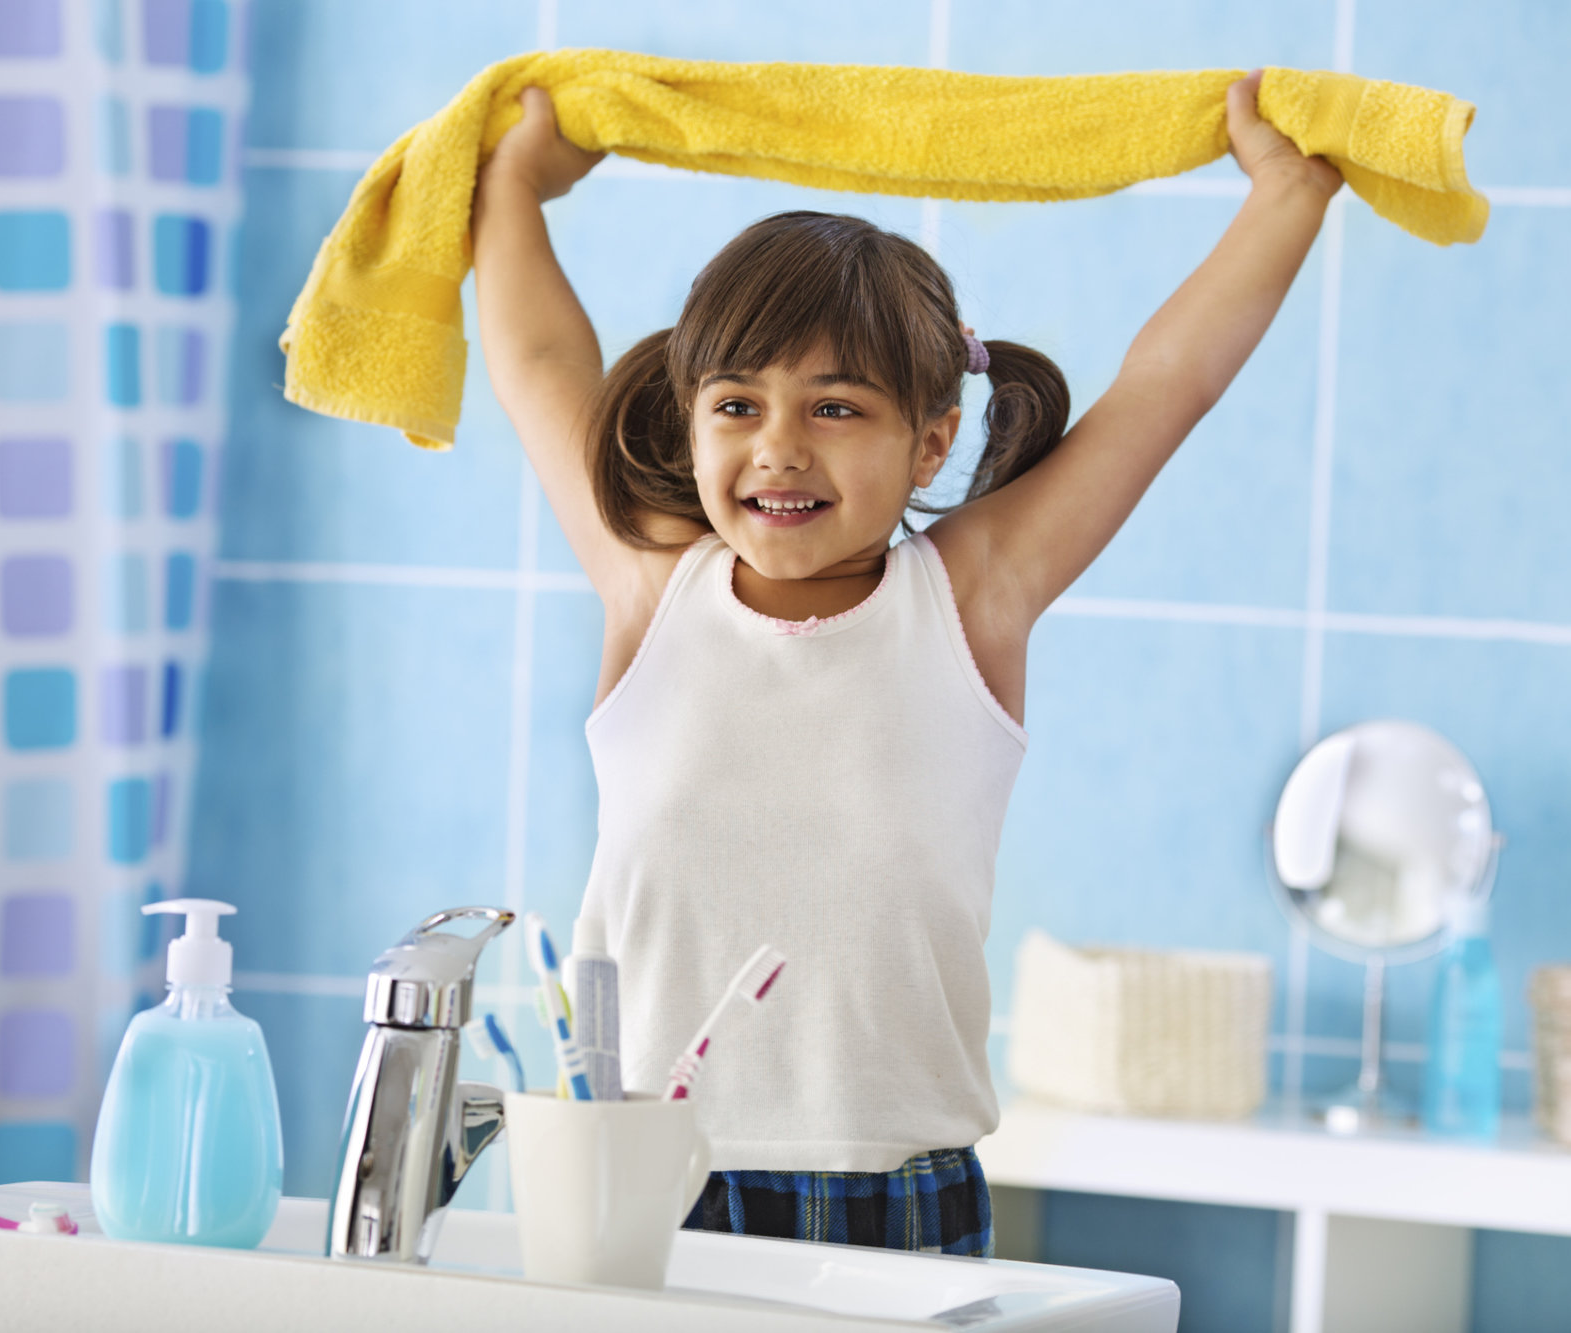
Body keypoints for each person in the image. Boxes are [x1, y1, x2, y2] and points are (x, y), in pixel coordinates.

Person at [472, 71, 1342, 1256]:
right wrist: (513, 182)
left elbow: (1165, 387)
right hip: (639, 1175)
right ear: (689, 420)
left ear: (930, 436)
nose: (776, 448)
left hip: (892, 1187)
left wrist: (1284, 195)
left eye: (834, 409)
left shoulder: (969, 599)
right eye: (737, 403)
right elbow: (532, 354)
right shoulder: (648, 586)